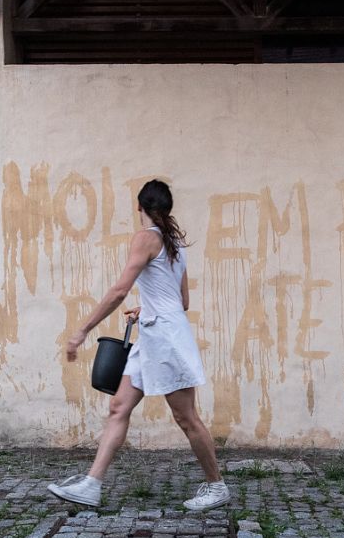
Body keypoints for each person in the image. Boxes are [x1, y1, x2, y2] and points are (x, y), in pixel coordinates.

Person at [47, 179, 230, 511]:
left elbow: (119, 291)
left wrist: (83, 329)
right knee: (119, 407)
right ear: (167, 208)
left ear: (138, 207)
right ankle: (91, 485)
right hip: (154, 335)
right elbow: (181, 301)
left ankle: (216, 486)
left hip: (166, 340)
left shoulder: (145, 238)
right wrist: (147, 308)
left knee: (186, 417)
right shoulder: (174, 244)